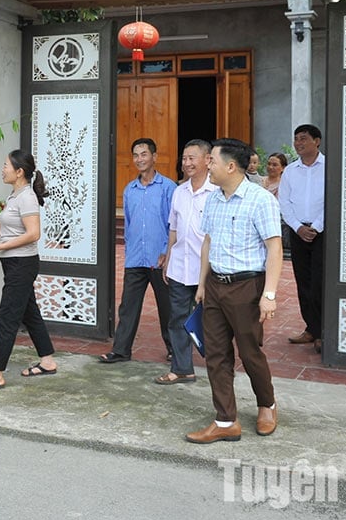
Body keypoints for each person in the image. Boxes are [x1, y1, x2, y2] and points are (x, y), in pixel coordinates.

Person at [186, 138, 282, 443]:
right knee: (215, 354)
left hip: (247, 288)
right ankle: (226, 421)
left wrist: (269, 294)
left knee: (251, 351)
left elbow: (274, 248)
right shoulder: (213, 198)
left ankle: (267, 404)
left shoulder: (260, 199)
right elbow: (208, 243)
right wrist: (202, 283)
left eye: (211, 160)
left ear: (230, 166)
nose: (207, 165)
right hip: (215, 286)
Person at [0, 150, 57, 393]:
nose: (2, 169)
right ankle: (47, 361)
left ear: (19, 172)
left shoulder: (26, 197)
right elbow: (9, 231)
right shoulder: (15, 195)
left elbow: (33, 234)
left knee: (6, 318)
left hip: (22, 264)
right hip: (15, 263)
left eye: (6, 165)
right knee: (29, 313)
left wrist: (0, 247)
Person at [98, 138, 176, 364]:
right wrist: (130, 249)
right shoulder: (129, 190)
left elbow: (174, 224)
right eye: (135, 155)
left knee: (167, 308)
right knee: (128, 307)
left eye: (144, 154)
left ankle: (174, 349)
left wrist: (166, 252)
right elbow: (130, 224)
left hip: (161, 259)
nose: (139, 159)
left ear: (154, 157)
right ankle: (121, 350)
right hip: (135, 259)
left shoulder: (168, 187)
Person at [156, 139, 216, 385]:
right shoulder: (179, 192)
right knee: (177, 318)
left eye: (192, 158)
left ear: (207, 160)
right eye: (184, 158)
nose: (187, 163)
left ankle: (218, 369)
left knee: (214, 321)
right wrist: (169, 259)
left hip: (210, 269)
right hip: (181, 265)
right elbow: (173, 229)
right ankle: (182, 368)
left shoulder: (217, 192)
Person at [278, 124, 326, 353]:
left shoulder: (329, 168)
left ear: (317, 141)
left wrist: (316, 227)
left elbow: (332, 199)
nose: (298, 143)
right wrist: (298, 227)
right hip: (298, 233)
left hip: (322, 233)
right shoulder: (290, 171)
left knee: (319, 283)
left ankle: (322, 331)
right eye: (296, 139)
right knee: (303, 282)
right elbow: (284, 203)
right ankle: (311, 328)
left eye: (303, 139)